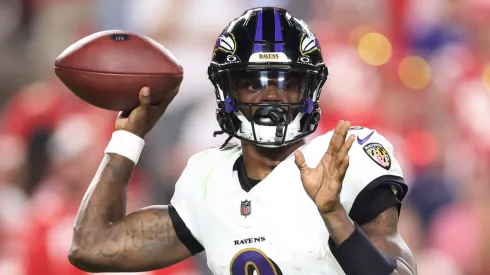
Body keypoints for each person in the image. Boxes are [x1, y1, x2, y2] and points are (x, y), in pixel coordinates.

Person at [68, 7, 416, 275]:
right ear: (227, 91)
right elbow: (92, 245)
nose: (271, 96)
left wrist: (334, 216)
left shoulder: (343, 158)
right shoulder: (208, 178)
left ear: (309, 89)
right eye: (253, 83)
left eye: (287, 82)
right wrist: (129, 137)